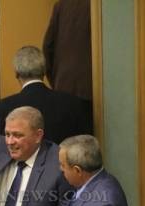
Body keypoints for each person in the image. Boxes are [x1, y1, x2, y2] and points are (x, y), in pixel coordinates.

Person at [0, 46, 90, 144]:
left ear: (17, 74)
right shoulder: (72, 103)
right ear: (44, 71)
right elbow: (85, 145)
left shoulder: (2, 108)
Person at [43, 0, 93, 133]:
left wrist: (56, 80)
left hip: (63, 85)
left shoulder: (61, 5)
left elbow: (48, 46)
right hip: (92, 88)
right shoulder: (100, 6)